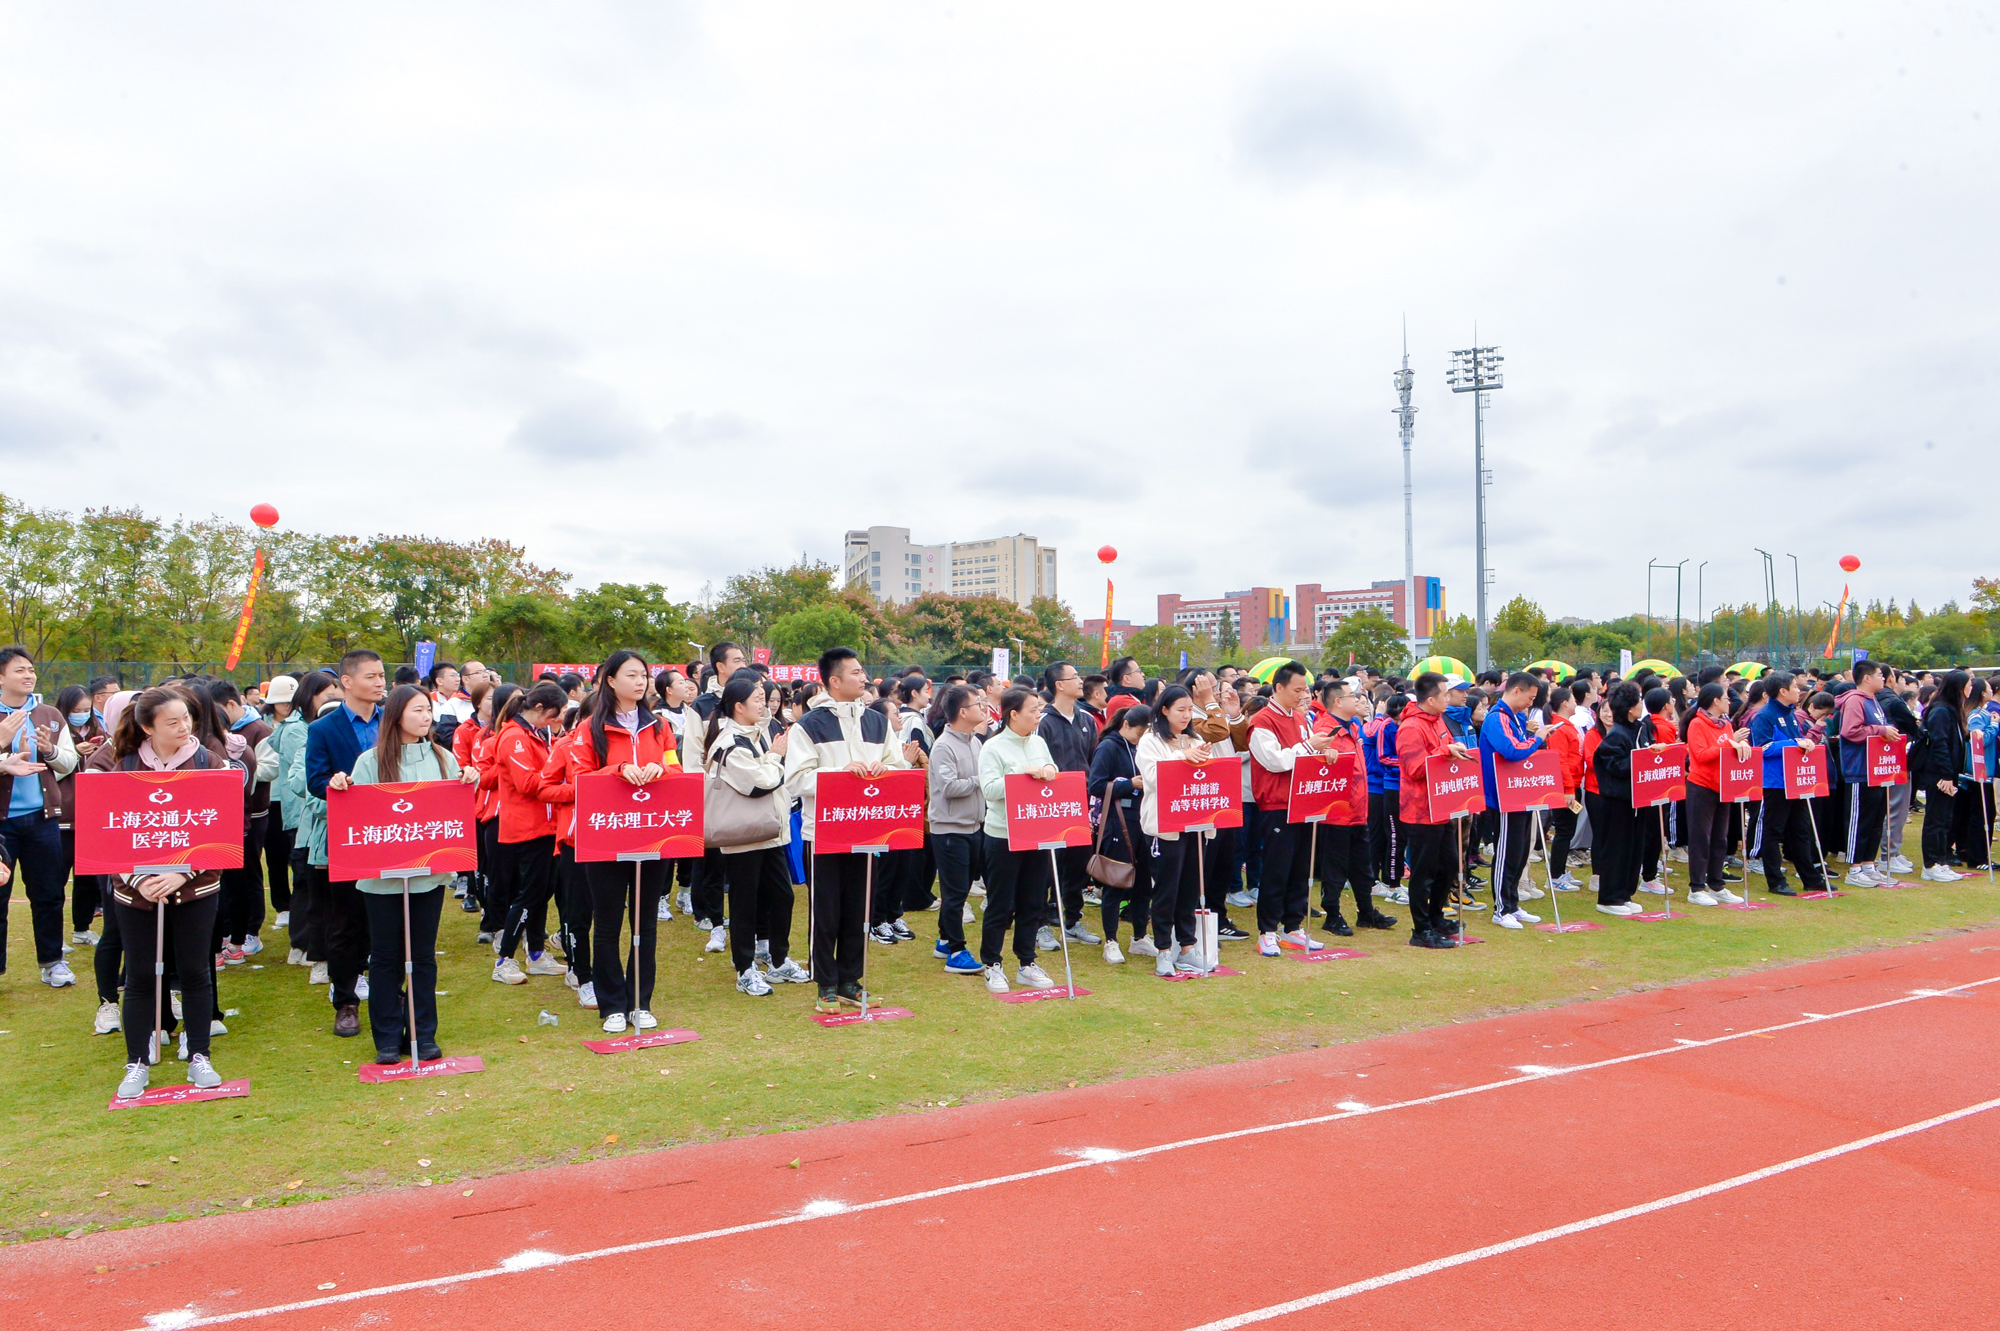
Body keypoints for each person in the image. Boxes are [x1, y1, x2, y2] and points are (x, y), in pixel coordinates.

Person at [97, 688, 237, 1099]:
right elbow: (106, 833)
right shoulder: (123, 766)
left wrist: (183, 871)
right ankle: (137, 1062)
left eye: (187, 718)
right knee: (140, 975)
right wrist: (137, 879)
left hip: (195, 888)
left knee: (195, 972)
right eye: (172, 722)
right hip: (136, 892)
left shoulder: (208, 762)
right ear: (147, 727)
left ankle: (199, 1055)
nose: (183, 727)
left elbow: (222, 828)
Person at [332, 685, 477, 1063]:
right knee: (384, 956)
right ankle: (386, 1038)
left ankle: (421, 1033)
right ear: (396, 715)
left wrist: (469, 779)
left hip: (428, 876)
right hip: (382, 880)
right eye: (417, 710)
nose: (426, 717)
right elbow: (356, 811)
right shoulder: (370, 761)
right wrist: (341, 785)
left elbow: (456, 807)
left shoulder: (444, 758)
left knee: (423, 955)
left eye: (428, 710)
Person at [783, 646, 915, 1013]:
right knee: (826, 910)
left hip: (867, 828)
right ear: (834, 681)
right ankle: (825, 983)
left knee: (860, 908)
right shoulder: (809, 725)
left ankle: (851, 980)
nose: (864, 678)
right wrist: (839, 774)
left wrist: (887, 771)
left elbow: (897, 766)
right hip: (823, 831)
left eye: (862, 671)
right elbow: (796, 779)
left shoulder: (877, 721)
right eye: (855, 672)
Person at [703, 672, 809, 997]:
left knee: (781, 896)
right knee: (744, 903)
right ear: (738, 706)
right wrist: (776, 756)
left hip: (769, 831)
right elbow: (760, 783)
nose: (764, 705)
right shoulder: (730, 743)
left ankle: (777, 959)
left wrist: (773, 756)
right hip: (743, 836)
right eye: (757, 699)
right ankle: (744, 968)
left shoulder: (758, 733)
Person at [303, 650, 389, 1037]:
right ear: (347, 682)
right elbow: (314, 780)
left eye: (382, 675)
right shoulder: (324, 729)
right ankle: (346, 1001)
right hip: (350, 837)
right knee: (345, 923)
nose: (379, 682)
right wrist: (335, 783)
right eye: (371, 676)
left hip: (394, 833)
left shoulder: (394, 721)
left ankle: (391, 993)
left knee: (388, 919)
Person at [0, 645, 81, 986]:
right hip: (2, 824)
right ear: (1, 677)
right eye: (19, 670)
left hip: (43, 819)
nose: (28, 675)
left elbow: (69, 763)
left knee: (48, 894)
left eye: (31, 669)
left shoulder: (49, 714)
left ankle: (52, 962)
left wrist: (49, 750)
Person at [976, 688, 1063, 992]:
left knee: (1033, 900)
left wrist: (1048, 770)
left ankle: (1027, 962)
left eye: (1039, 709)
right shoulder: (993, 747)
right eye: (1033, 710)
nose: (1039, 714)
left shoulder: (1037, 741)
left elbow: (1052, 768)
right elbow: (989, 789)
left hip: (1036, 832)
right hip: (1003, 835)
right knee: (1001, 903)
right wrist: (1023, 777)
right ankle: (992, 963)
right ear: (1013, 714)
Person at [1246, 661, 1331, 954]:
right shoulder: (1262, 721)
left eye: (1305, 689)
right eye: (1297, 690)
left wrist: (1323, 751)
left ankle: (1293, 926)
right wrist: (1309, 746)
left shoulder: (1299, 718)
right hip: (1276, 804)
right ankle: (1267, 930)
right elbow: (1274, 761)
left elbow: (1305, 756)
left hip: (1303, 800)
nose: (1303, 695)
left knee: (1300, 868)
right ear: (1279, 687)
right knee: (1277, 869)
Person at [489, 680, 570, 986]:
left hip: (546, 824)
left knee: (542, 892)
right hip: (527, 827)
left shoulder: (533, 733)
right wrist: (569, 787)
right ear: (539, 708)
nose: (557, 719)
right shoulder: (514, 737)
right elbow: (528, 784)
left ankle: (536, 953)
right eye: (555, 713)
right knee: (529, 895)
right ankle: (504, 959)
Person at [1136, 684, 1215, 976]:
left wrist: (1200, 758)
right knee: (1166, 889)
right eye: (1180, 709)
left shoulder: (1195, 738)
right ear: (1164, 710)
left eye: (1189, 710)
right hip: (1165, 826)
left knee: (1190, 888)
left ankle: (1187, 947)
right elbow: (1152, 777)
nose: (1186, 715)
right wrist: (1183, 756)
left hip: (1194, 822)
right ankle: (1163, 950)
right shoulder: (1150, 740)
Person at [1311, 679, 1397, 932]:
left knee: (1362, 865)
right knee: (1335, 867)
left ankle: (1366, 912)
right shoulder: (1326, 728)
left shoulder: (1354, 726)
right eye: (1352, 696)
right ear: (1338, 701)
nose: (1358, 699)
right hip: (1336, 812)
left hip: (1358, 809)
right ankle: (1332, 915)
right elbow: (1317, 766)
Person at [1397, 672, 1472, 948]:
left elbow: (1443, 750)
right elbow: (1414, 768)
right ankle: (1420, 929)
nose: (1449, 698)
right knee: (1423, 871)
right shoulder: (1411, 727)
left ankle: (1435, 917)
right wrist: (1444, 752)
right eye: (1445, 694)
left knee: (1449, 865)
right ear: (1431, 699)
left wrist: (1453, 749)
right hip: (1420, 810)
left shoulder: (1438, 719)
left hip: (1441, 805)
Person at [1036, 661, 1101, 950]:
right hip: (1051, 806)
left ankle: (1072, 920)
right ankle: (1040, 923)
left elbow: (1092, 760)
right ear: (1059, 685)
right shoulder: (1043, 722)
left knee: (1077, 864)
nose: (1080, 680)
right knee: (1046, 867)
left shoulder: (1086, 719)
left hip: (1081, 804)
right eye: (1074, 677)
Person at [1476, 672, 1549, 929]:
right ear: (1516, 691)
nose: (1531, 703)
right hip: (1503, 796)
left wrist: (1532, 737)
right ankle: (1501, 909)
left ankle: (1513, 904)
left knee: (1519, 852)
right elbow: (1511, 751)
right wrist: (1538, 738)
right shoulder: (1497, 718)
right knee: (1506, 852)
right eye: (1530, 697)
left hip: (1520, 792)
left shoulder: (1515, 718)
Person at [1750, 670, 1831, 896]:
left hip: (1795, 780)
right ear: (1783, 691)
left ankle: (1811, 878)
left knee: (1801, 830)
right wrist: (1795, 743)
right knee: (1774, 831)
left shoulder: (1791, 714)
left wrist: (1805, 742)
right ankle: (1775, 881)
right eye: (1795, 687)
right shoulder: (1764, 716)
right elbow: (1763, 748)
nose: (1799, 690)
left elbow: (1797, 740)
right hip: (1775, 782)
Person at [927, 685, 990, 975]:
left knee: (961, 888)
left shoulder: (974, 742)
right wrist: (981, 780)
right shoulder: (944, 746)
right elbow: (950, 787)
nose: (983, 708)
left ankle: (944, 940)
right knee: (954, 893)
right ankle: (956, 949)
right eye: (978, 704)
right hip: (950, 829)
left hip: (973, 825)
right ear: (963, 712)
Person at [210, 680, 274, 961]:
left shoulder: (258, 730)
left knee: (247, 876)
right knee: (227, 880)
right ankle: (229, 932)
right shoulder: (215, 742)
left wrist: (242, 773)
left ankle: (249, 933)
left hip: (252, 814)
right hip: (227, 818)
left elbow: (270, 768)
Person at [1087, 702, 1154, 962]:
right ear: (1126, 724)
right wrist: (1130, 784)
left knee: (1144, 882)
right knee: (1115, 881)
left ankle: (1140, 936)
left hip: (1144, 819)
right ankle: (1111, 940)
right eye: (1139, 733)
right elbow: (1096, 785)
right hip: (1118, 821)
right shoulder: (1109, 746)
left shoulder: (1142, 747)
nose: (1141, 738)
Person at [1683, 683, 1750, 905]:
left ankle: (1716, 884)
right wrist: (1730, 744)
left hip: (1723, 786)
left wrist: (1741, 745)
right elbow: (1701, 755)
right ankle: (1696, 887)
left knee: (1720, 838)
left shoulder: (1726, 724)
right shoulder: (1697, 724)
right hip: (1701, 786)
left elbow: (1729, 749)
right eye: (1726, 698)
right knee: (1700, 838)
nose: (1729, 702)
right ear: (1715, 701)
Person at [1836, 660, 1901, 887]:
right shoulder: (1855, 700)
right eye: (1879, 674)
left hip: (1877, 770)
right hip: (1859, 770)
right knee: (1859, 821)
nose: (1883, 678)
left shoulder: (1872, 699)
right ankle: (1854, 869)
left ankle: (1868, 864)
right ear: (1866, 678)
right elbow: (1850, 731)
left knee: (1875, 821)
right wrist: (1880, 730)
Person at [53, 684, 109, 949]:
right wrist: (75, 752)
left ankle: (82, 928)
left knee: (87, 878)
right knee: (56, 879)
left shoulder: (99, 731)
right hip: (63, 816)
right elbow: (50, 770)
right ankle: (55, 937)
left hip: (92, 817)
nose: (82, 715)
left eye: (87, 709)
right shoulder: (55, 732)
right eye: (76, 710)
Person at [1591, 682, 1647, 916]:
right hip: (1617, 801)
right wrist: (1642, 758)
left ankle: (1624, 894)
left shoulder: (1640, 728)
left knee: (1633, 849)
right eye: (1639, 702)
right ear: (1630, 708)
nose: (1642, 705)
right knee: (1616, 849)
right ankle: (1609, 898)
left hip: (1637, 799)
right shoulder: (1616, 735)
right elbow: (1615, 766)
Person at [257, 675, 302, 935]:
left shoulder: (302, 723)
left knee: (296, 855)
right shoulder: (261, 726)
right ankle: (282, 906)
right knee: (274, 855)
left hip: (294, 798)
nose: (286, 705)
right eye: (281, 701)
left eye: (290, 701)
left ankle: (298, 905)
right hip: (271, 798)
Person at [1542, 689, 1585, 891]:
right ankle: (1555, 876)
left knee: (1567, 830)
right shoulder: (1559, 728)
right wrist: (1568, 789)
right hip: (1566, 786)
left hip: (1572, 783)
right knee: (1564, 830)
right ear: (1565, 703)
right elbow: (1560, 760)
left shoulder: (1566, 726)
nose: (1576, 703)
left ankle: (1559, 872)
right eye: (1573, 700)